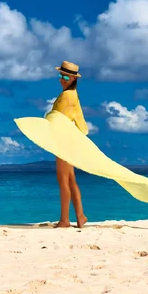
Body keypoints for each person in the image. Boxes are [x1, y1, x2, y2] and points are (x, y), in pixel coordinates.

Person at [49, 61, 89, 228]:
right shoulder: (74, 94)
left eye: (66, 77)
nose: (62, 79)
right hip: (69, 140)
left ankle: (65, 220)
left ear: (73, 78)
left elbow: (59, 118)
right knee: (71, 180)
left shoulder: (67, 96)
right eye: (61, 75)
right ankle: (80, 216)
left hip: (64, 141)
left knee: (63, 180)